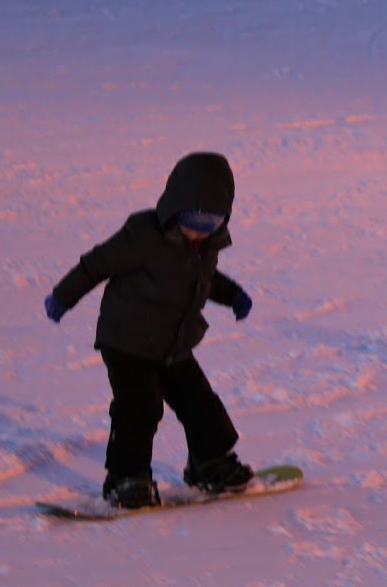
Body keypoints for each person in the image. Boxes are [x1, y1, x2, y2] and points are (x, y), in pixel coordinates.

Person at [44, 152, 255, 508]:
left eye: (210, 224)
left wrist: (232, 294)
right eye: (192, 222)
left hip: (172, 345)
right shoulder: (143, 233)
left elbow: (202, 280)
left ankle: (210, 464)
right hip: (126, 341)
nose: (198, 232)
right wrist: (63, 297)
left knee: (201, 404)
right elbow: (96, 264)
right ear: (174, 208)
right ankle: (126, 479)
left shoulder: (204, 245)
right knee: (139, 408)